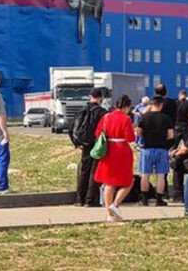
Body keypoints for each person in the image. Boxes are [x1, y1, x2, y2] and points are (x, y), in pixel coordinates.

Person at [94, 94, 137, 222]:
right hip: (122, 149)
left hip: (109, 150)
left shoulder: (106, 117)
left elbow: (98, 133)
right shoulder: (126, 119)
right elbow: (130, 138)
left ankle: (109, 213)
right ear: (126, 107)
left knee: (109, 182)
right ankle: (115, 204)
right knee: (128, 181)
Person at [70, 88, 108, 207]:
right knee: (95, 171)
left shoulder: (81, 111)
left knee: (84, 171)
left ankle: (79, 199)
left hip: (84, 144)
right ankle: (91, 199)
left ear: (89, 96)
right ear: (101, 98)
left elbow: (72, 129)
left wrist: (77, 143)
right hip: (97, 144)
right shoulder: (102, 112)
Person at [135, 95, 174, 206]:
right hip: (162, 149)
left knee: (145, 174)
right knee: (161, 175)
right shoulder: (166, 118)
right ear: (161, 105)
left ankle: (144, 199)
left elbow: (138, 132)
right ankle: (159, 199)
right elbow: (171, 135)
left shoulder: (145, 117)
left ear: (151, 104)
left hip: (147, 148)